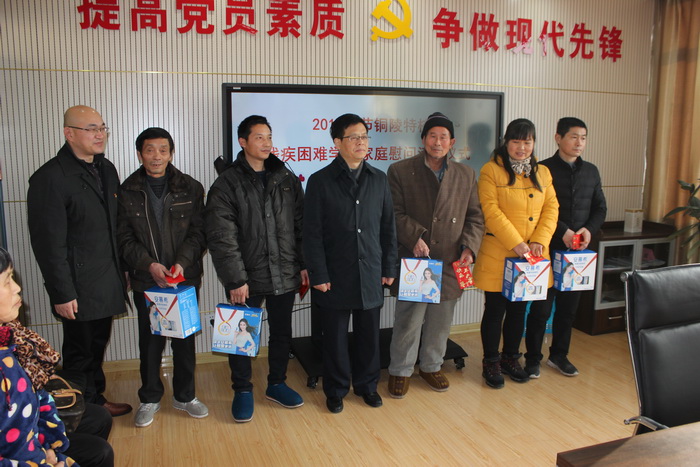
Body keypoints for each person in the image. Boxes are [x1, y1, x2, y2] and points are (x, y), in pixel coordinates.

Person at [26, 105, 131, 417]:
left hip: (106, 277)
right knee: (78, 353)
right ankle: (76, 414)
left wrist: (123, 269)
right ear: (68, 134)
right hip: (77, 285)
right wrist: (61, 293)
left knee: (97, 345)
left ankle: (94, 400)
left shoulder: (106, 169)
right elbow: (47, 244)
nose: (99, 134)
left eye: (102, 127)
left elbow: (115, 227)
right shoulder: (50, 178)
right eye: (91, 129)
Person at [206, 115, 307, 423]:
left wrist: (304, 265)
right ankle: (242, 390)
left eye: (269, 137)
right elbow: (222, 237)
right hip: (246, 277)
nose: (266, 143)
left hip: (285, 272)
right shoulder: (227, 183)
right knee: (241, 335)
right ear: (243, 142)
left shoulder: (286, 178)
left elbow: (301, 226)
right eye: (259, 137)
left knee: (281, 332)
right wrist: (235, 279)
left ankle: (277, 384)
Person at [303, 113, 398, 414]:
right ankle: (336, 389)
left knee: (369, 336)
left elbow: (388, 228)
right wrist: (318, 273)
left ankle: (368, 386)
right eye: (353, 137)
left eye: (364, 137)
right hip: (334, 273)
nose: (361, 142)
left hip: (370, 270)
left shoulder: (378, 179)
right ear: (337, 142)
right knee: (335, 338)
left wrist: (389, 267)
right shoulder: (320, 181)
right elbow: (311, 234)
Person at [386, 112, 484, 398]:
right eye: (432, 136)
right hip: (418, 260)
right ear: (423, 139)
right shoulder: (400, 170)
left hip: (451, 259)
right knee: (409, 320)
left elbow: (475, 217)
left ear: (452, 142)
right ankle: (400, 370)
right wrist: (414, 237)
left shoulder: (466, 174)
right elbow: (393, 213)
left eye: (443, 137)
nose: (437, 142)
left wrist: (469, 247)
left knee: (441, 321)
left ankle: (431, 366)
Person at [117, 127, 208, 428]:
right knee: (150, 343)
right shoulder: (126, 191)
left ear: (171, 153)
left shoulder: (191, 187)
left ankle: (185, 396)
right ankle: (150, 398)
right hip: (147, 281)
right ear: (139, 154)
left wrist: (181, 263)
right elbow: (124, 238)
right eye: (149, 150)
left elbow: (199, 233)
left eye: (163, 150)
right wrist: (149, 265)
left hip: (183, 279)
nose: (156, 156)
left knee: (184, 341)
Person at [0, 247, 114, 467]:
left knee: (98, 419)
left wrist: (50, 443)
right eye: (6, 282)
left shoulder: (10, 338)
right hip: (25, 456)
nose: (17, 288)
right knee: (99, 451)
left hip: (35, 440)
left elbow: (37, 397)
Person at [473, 118, 559, 389]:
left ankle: (511, 358)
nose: (522, 148)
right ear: (506, 142)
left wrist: (539, 240)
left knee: (519, 309)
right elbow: (490, 211)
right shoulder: (490, 170)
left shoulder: (543, 172)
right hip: (500, 253)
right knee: (495, 310)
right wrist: (517, 243)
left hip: (532, 255)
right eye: (516, 141)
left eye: (527, 142)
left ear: (534, 143)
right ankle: (491, 362)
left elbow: (551, 209)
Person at [524, 117, 607, 378]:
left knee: (568, 310)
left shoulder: (591, 171)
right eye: (573, 137)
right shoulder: (542, 169)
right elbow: (539, 209)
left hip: (577, 253)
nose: (579, 143)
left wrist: (588, 230)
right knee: (541, 309)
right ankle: (532, 358)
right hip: (547, 249)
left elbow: (600, 207)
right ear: (558, 138)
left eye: (583, 138)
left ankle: (559, 355)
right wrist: (565, 232)